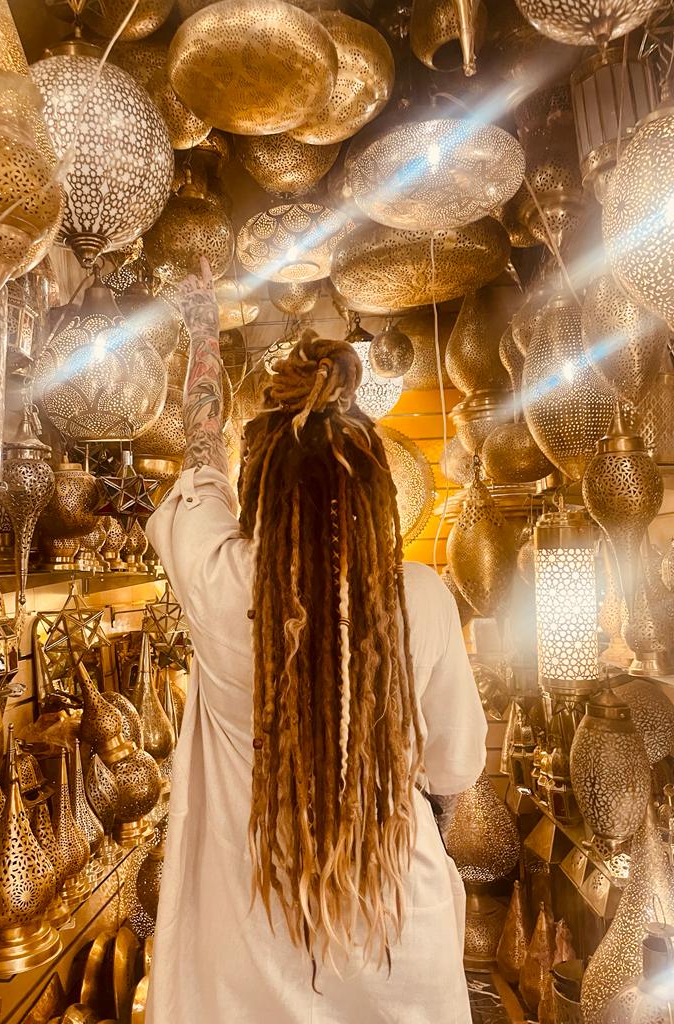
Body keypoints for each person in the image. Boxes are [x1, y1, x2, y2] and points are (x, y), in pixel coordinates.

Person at [145, 259, 487, 1024]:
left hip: (251, 957)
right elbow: (453, 776)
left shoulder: (222, 583)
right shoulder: (423, 598)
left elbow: (200, 450)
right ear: (377, 491)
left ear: (259, 483)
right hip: (401, 946)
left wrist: (202, 326)